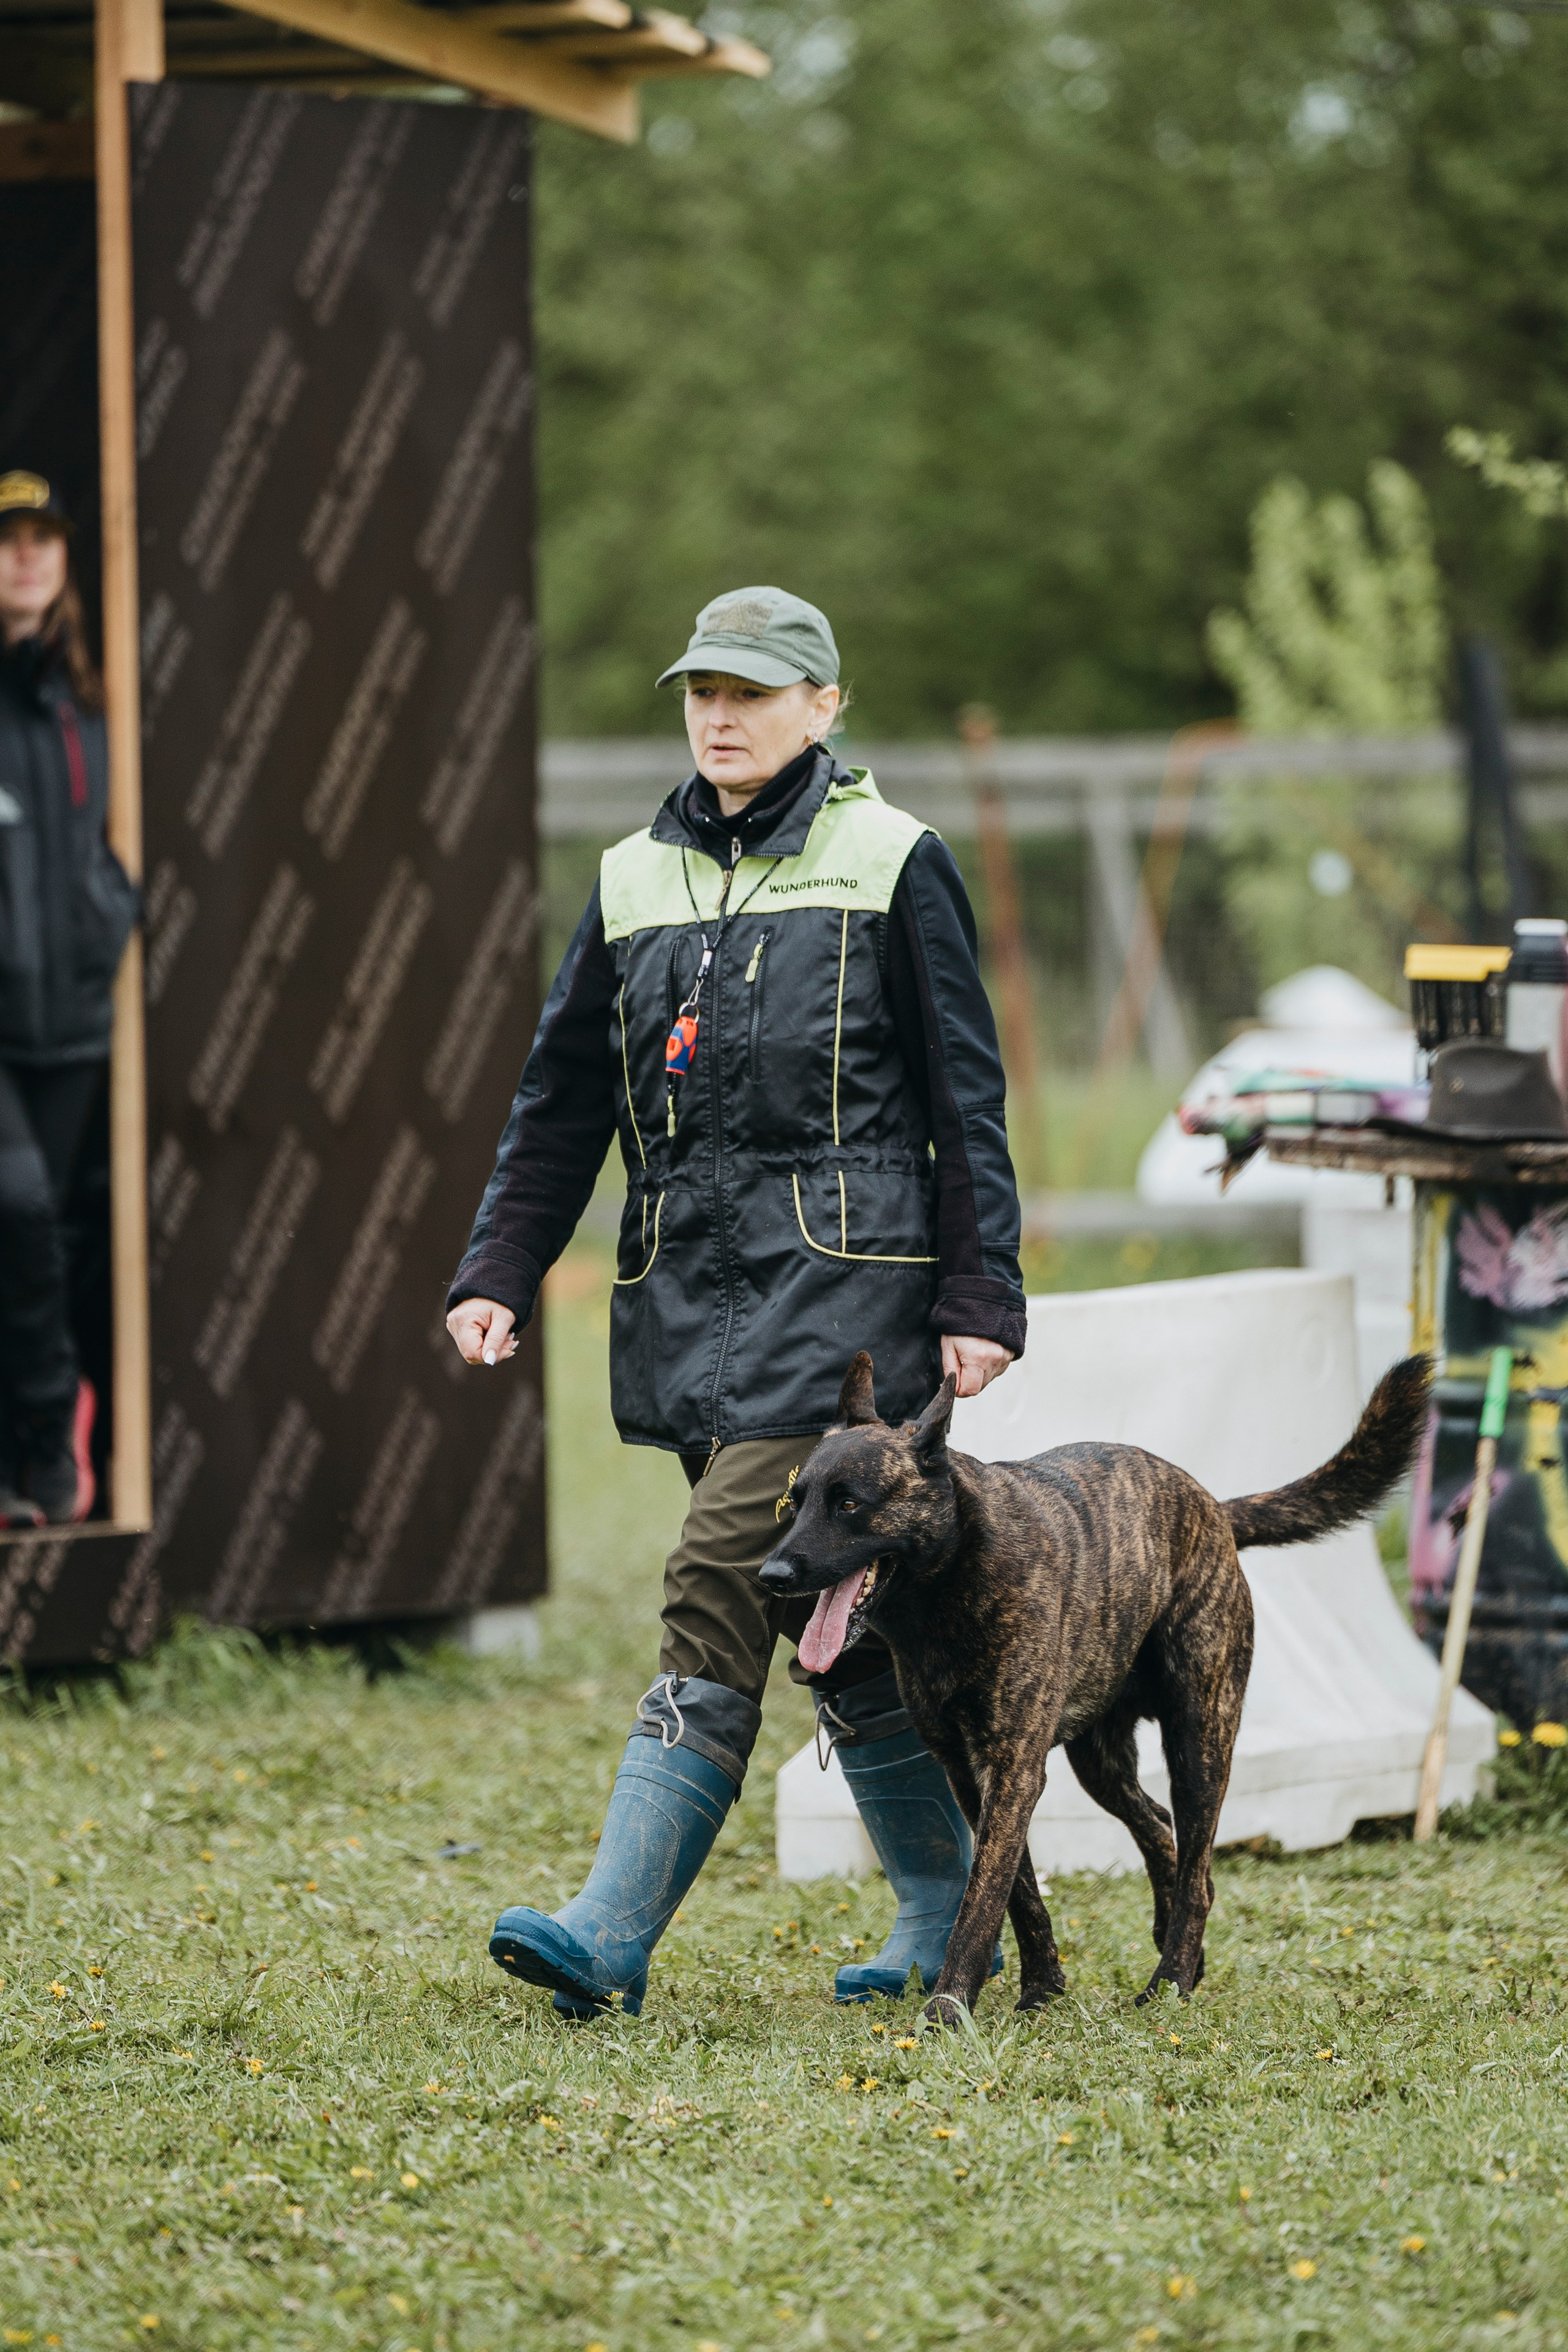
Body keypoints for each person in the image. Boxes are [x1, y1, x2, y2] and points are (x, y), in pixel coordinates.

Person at [447, 586, 1027, 2016]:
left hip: (849, 1313)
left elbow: (967, 1094)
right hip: (690, 1312)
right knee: (834, 1626)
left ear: (824, 707)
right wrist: (497, 1267)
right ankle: (947, 1909)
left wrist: (981, 1291)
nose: (719, 714)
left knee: (726, 1571)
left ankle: (609, 1935)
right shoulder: (631, 875)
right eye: (702, 688)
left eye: (755, 692)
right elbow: (563, 1096)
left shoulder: (896, 860)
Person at [0, 471, 137, 1525]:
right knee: (20, 1210)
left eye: (43, 538)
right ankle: (47, 1433)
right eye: (9, 540)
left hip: (74, 1024)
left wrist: (111, 911)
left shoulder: (88, 694)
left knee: (64, 1236)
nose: (29, 556)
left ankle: (42, 1451)